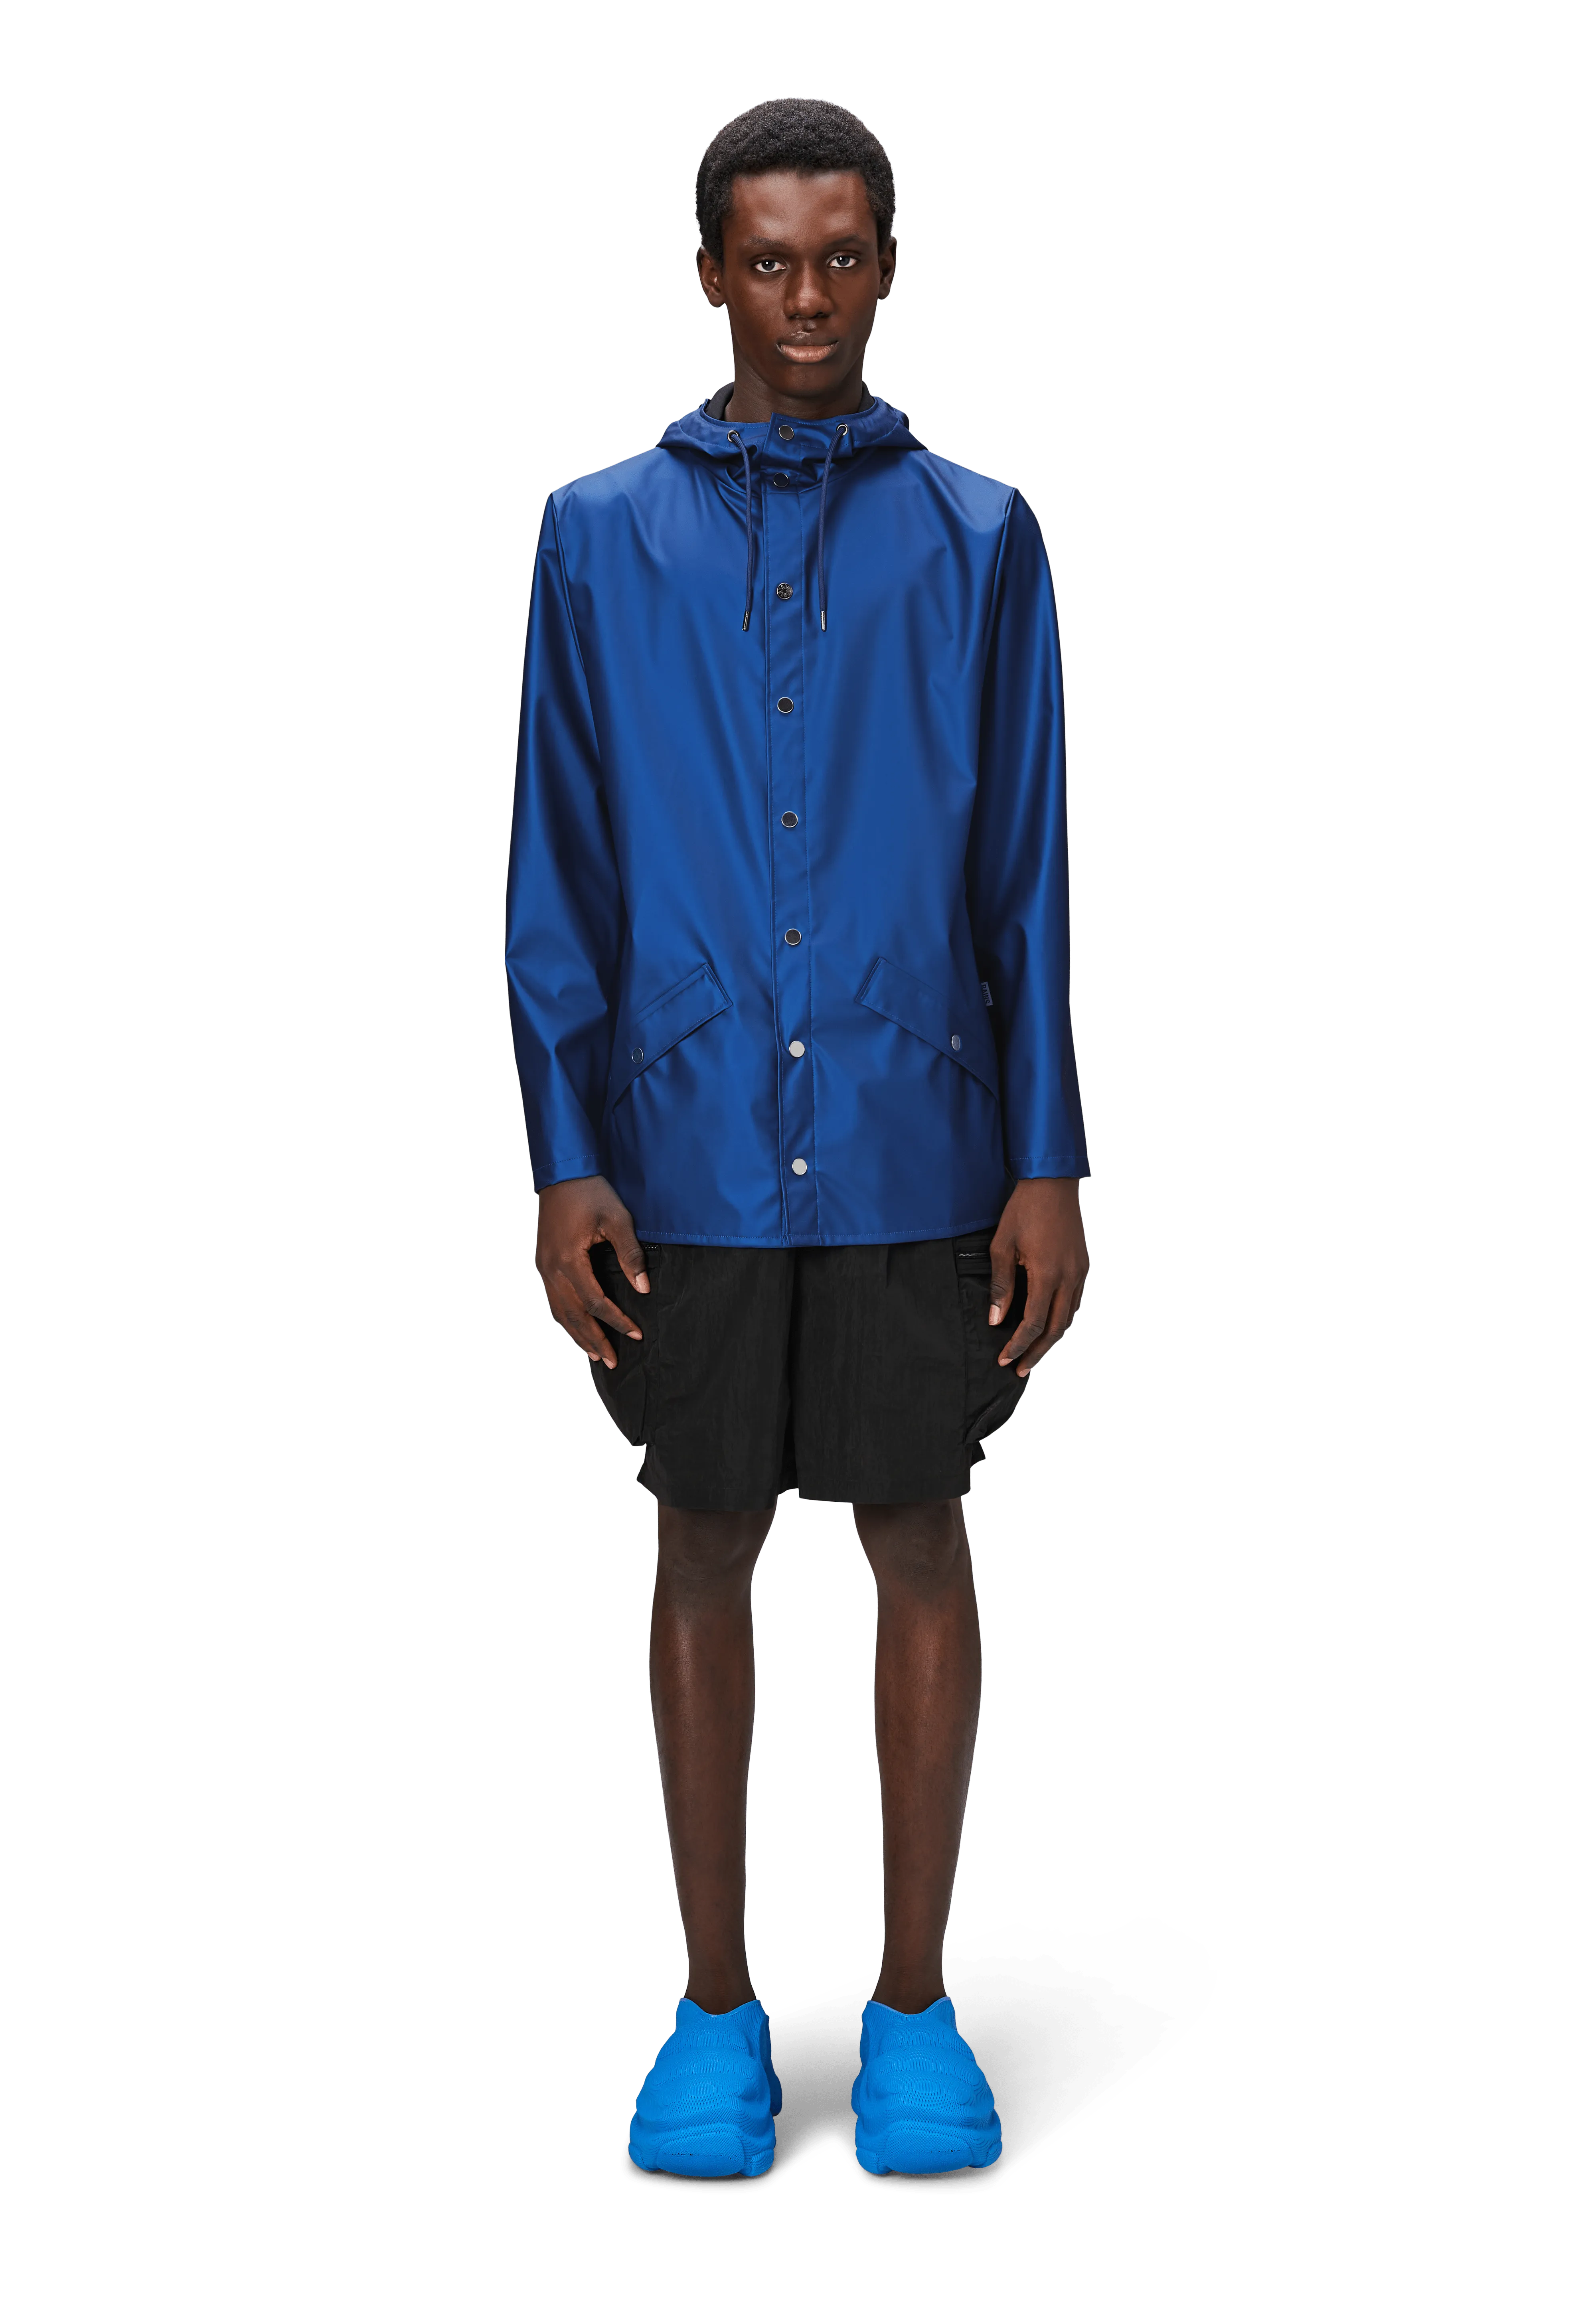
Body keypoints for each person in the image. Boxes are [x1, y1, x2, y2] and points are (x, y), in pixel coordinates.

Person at [504, 96, 1090, 2181]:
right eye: (771, 259)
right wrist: (564, 1152)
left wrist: (1049, 1156)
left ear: (889, 267)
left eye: (843, 256)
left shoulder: (982, 538)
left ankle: (917, 2015)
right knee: (702, 1540)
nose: (809, 296)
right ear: (710, 276)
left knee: (920, 1532)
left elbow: (1029, 871)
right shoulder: (595, 538)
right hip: (682, 1142)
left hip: (923, 1130)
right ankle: (717, 2015)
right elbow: (557, 866)